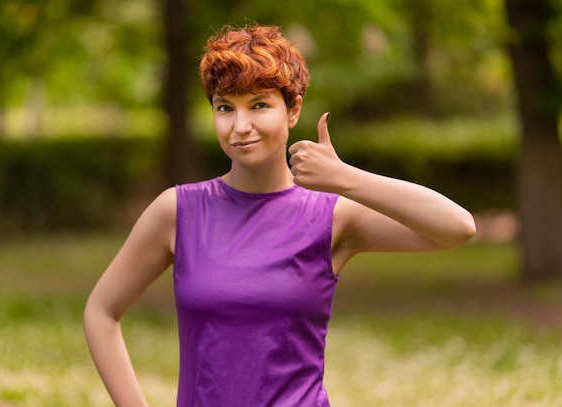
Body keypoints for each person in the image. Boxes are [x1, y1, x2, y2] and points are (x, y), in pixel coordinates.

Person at [83, 23, 476, 407]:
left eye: (259, 105)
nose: (240, 127)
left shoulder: (333, 216)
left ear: (293, 109)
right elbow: (101, 312)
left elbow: (457, 227)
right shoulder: (178, 211)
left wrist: (345, 178)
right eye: (225, 108)